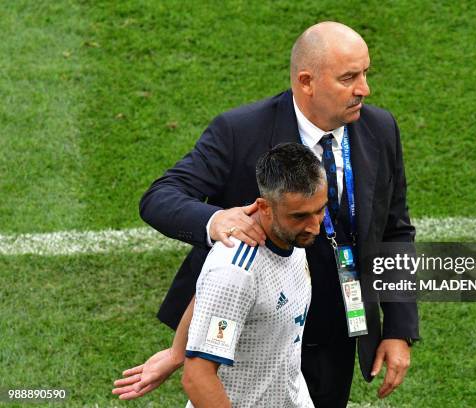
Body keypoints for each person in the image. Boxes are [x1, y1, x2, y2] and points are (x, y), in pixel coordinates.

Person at [113, 21, 419, 407]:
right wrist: (215, 220)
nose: (364, 89)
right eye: (349, 78)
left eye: (365, 73)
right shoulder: (240, 131)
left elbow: (395, 229)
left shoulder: (380, 128)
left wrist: (398, 328)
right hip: (254, 331)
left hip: (339, 329)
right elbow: (160, 196)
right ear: (307, 81)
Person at [183, 143, 325, 407]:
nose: (315, 226)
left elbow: (209, 301)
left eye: (320, 210)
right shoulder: (236, 272)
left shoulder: (292, 238)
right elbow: (198, 377)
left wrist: (174, 352)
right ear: (265, 207)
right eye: (300, 216)